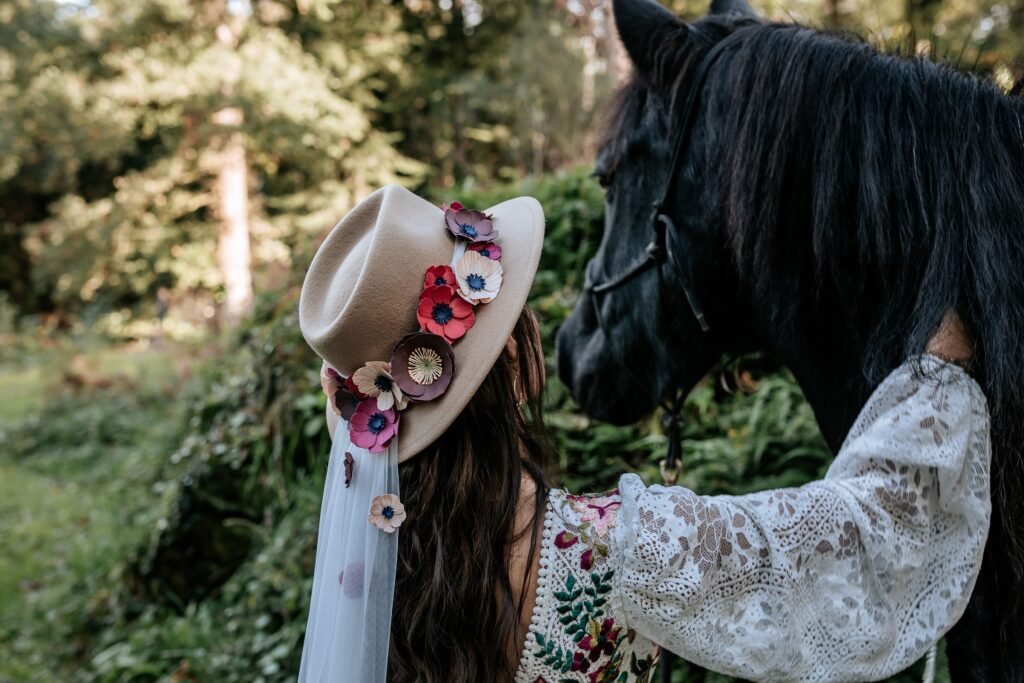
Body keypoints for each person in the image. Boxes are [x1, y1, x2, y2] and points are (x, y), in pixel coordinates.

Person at [296, 185, 990, 683]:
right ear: (508, 363)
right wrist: (937, 376)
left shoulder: (371, 579)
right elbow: (858, 539)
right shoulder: (620, 548)